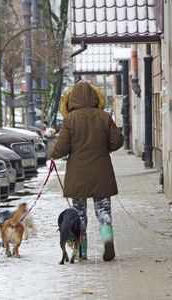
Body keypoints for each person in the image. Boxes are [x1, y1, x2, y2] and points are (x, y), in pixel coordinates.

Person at [51, 81, 124, 261]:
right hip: (101, 173)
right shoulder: (104, 117)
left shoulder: (70, 119)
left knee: (79, 215)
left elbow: (60, 149)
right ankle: (107, 240)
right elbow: (116, 143)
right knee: (103, 211)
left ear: (71, 100)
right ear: (95, 97)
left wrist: (52, 154)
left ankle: (82, 249)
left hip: (77, 175)